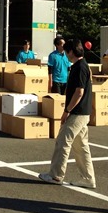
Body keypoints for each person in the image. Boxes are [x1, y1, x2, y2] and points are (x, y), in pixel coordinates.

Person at [38, 39, 95, 189]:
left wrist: (67, 111)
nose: (65, 54)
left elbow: (79, 92)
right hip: (83, 111)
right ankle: (88, 178)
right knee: (81, 146)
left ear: (70, 51)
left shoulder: (79, 67)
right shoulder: (83, 66)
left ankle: (56, 175)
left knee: (63, 141)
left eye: (66, 51)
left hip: (77, 112)